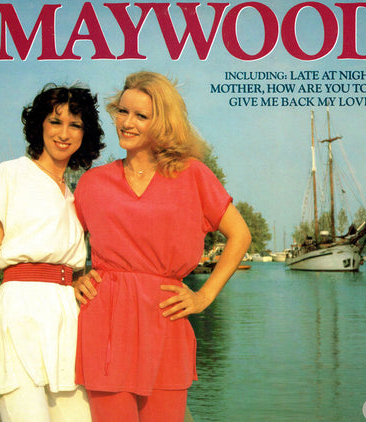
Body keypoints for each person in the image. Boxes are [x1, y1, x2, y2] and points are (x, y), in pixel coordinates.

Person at [73, 71, 252, 422]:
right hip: (105, 323)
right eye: (123, 112)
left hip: (166, 318)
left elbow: (240, 235)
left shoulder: (192, 174)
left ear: (163, 123)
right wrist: (76, 277)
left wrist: (204, 296)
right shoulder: (93, 182)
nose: (127, 123)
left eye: (141, 115)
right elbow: (63, 243)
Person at [0, 84, 105, 421]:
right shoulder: (11, 173)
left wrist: (78, 281)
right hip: (18, 312)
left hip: (66, 318)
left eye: (75, 125)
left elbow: (70, 265)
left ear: (85, 134)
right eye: (55, 121)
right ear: (39, 126)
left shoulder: (74, 196)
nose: (64, 133)